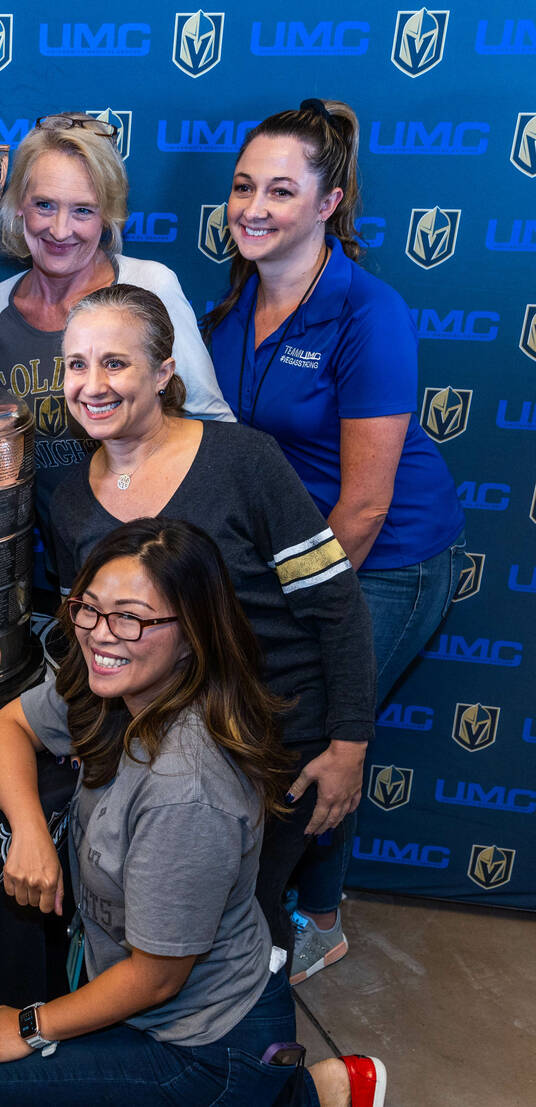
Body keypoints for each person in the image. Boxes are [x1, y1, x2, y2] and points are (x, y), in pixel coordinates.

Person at [0, 520, 386, 1106]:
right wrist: (30, 830)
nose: (100, 635)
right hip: (151, 999)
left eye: (132, 618)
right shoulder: (119, 688)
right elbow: (8, 727)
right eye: (88, 609)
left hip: (203, 1048)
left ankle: (286, 1094)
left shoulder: (186, 790)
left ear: (193, 633)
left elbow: (158, 978)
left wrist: (29, 1026)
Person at [205, 99, 466, 982]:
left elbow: (364, 504)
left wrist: (292, 611)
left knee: (319, 727)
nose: (254, 206)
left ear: (329, 203)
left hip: (387, 555)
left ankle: (319, 917)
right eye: (244, 186)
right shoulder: (236, 302)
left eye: (282, 189)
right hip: (296, 552)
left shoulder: (369, 310)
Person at [47, 285, 376, 962]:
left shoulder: (244, 461)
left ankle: (265, 1061)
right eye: (76, 364)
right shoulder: (71, 496)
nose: (91, 384)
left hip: (272, 738)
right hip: (157, 744)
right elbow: (81, 635)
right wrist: (87, 726)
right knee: (158, 923)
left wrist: (348, 745)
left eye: (115, 363)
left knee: (244, 921)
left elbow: (336, 604)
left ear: (165, 374)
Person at [0, 111, 233, 588]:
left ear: (109, 217)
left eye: (83, 210)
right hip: (70, 572)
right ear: (17, 209)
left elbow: (212, 423)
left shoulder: (147, 285)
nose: (60, 229)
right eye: (44, 205)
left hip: (167, 567)